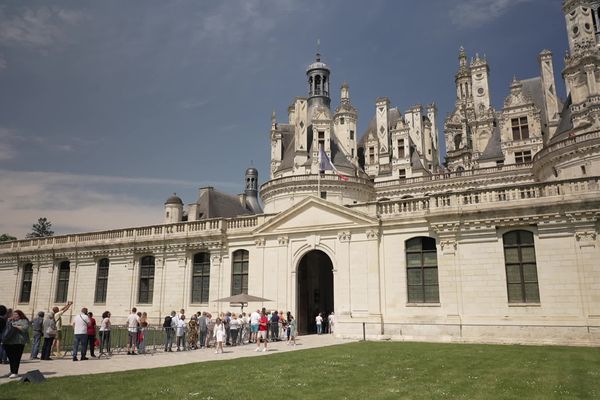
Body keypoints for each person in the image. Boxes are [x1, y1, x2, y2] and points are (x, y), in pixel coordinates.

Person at [2, 309, 29, 378]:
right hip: (9, 342)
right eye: (14, 314)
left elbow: (25, 328)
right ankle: (12, 371)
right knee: (10, 357)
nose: (15, 316)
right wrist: (8, 321)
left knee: (16, 357)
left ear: (20, 315)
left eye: (16, 314)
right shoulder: (10, 320)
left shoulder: (24, 321)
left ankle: (15, 372)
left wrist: (15, 326)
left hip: (19, 342)